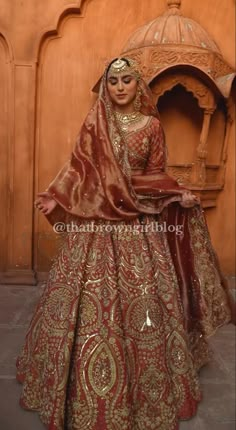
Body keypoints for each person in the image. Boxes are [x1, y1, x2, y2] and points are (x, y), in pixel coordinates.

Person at [16, 57, 233, 430]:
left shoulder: (150, 126)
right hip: (97, 222)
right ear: (106, 85)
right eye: (113, 80)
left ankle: (147, 385)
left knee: (145, 297)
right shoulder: (94, 123)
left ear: (138, 86)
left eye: (126, 80)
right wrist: (57, 197)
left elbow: (154, 173)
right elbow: (79, 169)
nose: (119, 87)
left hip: (137, 221)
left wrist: (176, 193)